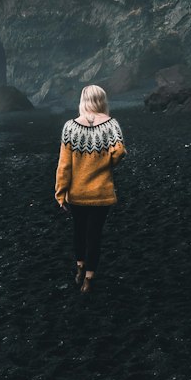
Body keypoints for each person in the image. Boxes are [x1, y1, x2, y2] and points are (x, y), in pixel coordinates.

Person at [55, 84, 127, 294]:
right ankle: (89, 279)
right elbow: (119, 152)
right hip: (101, 193)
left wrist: (61, 193)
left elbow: (64, 165)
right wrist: (107, 164)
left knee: (79, 232)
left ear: (83, 100)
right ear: (102, 101)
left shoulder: (70, 127)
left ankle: (79, 266)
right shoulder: (111, 125)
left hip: (77, 194)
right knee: (94, 235)